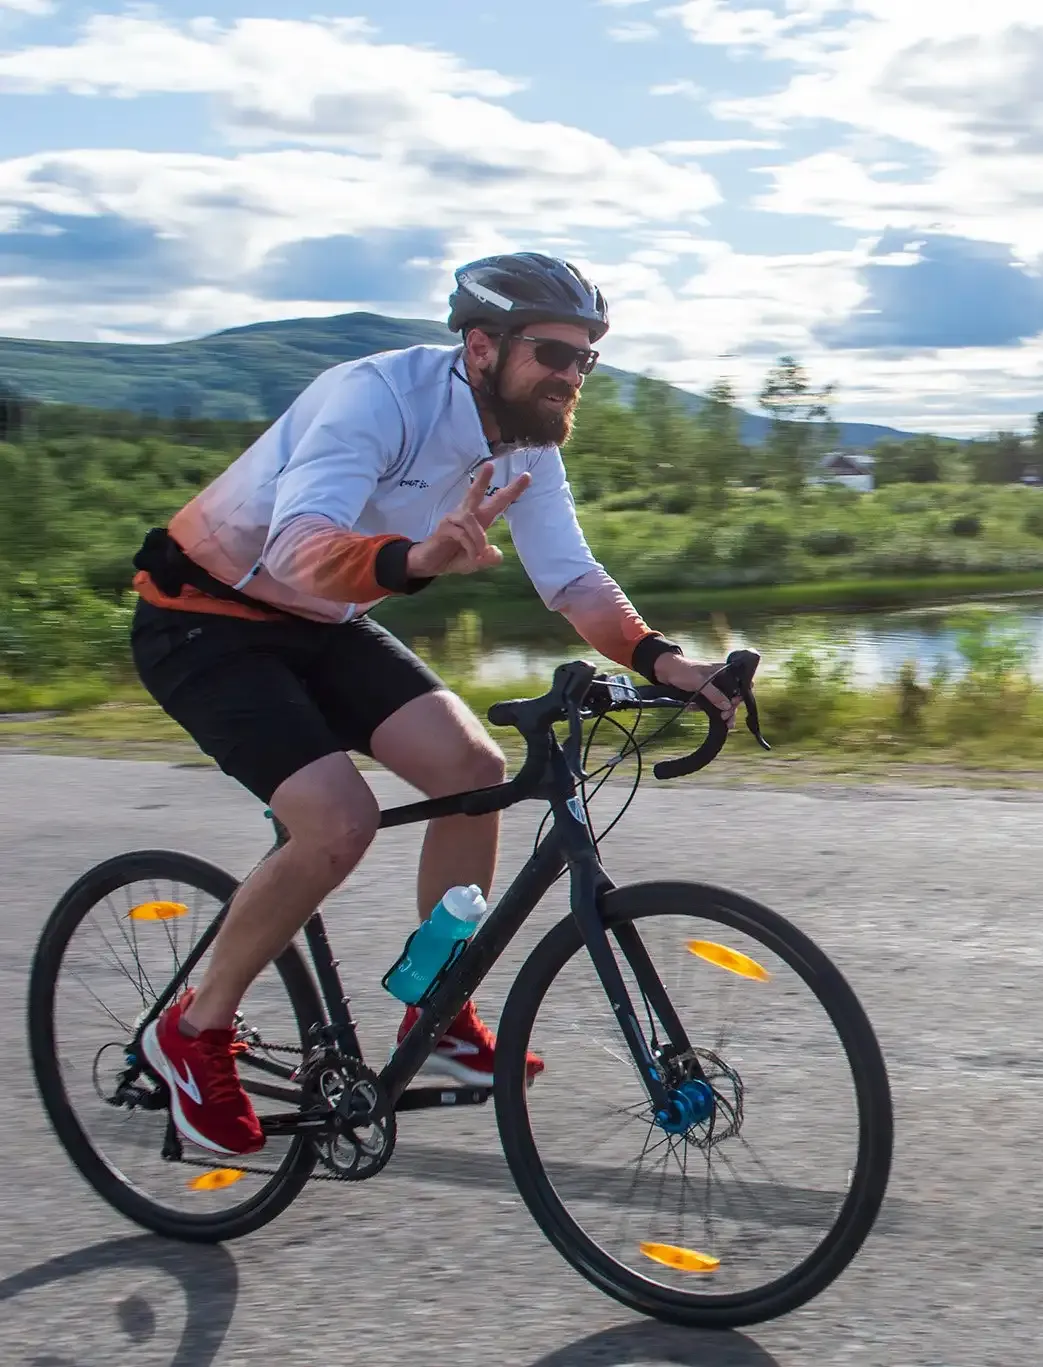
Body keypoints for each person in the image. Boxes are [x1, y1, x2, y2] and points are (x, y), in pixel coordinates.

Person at [128, 253, 737, 1157]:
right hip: (206, 620)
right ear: (481, 345)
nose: (570, 375)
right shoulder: (375, 398)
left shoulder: (525, 441)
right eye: (552, 353)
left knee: (473, 771)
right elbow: (298, 549)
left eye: (584, 359)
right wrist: (411, 562)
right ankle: (193, 1030)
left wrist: (664, 660)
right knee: (339, 822)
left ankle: (439, 1009)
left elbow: (569, 577)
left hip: (323, 621)